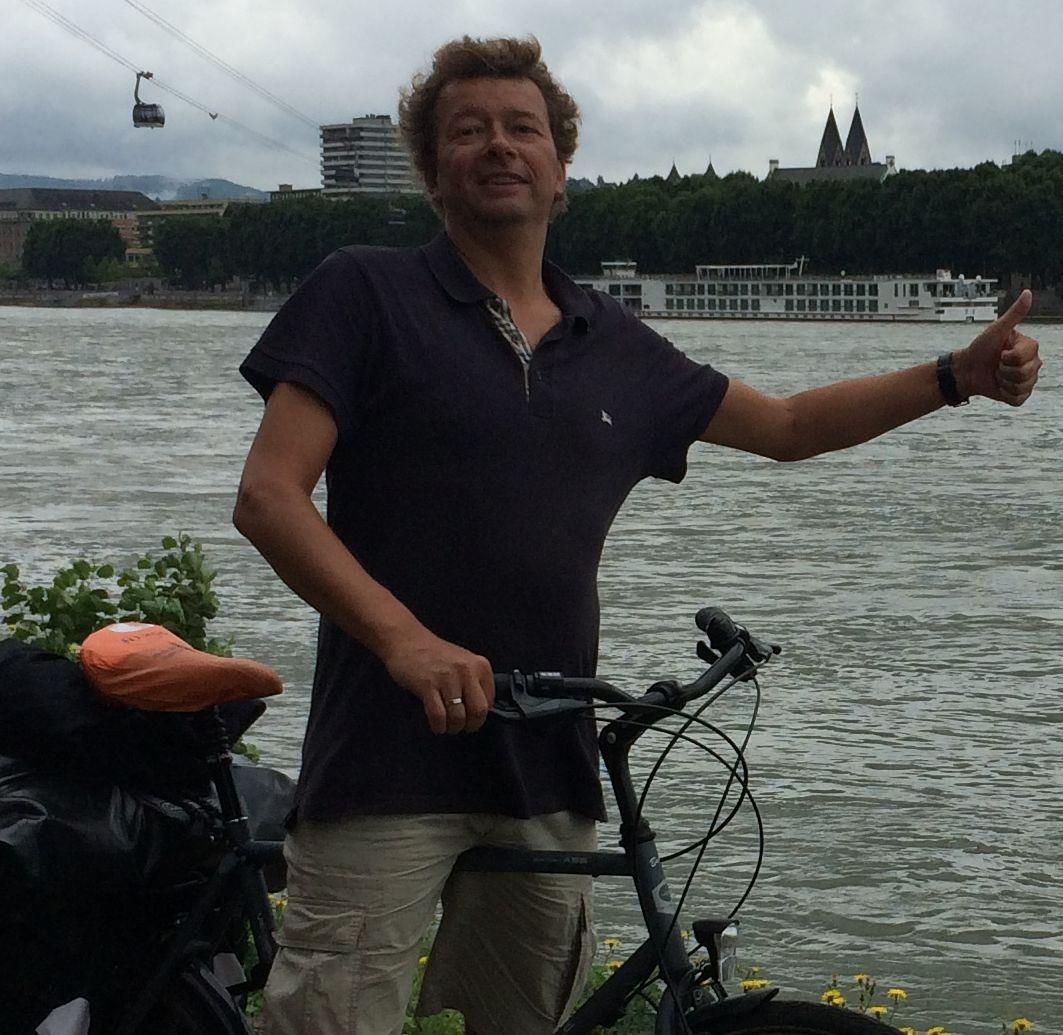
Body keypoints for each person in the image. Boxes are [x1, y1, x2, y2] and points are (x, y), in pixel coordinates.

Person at [233, 35, 1042, 1035]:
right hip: (381, 766)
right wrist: (405, 640)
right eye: (469, 130)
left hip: (547, 768)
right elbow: (269, 496)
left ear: (560, 167)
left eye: (523, 128)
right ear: (432, 170)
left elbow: (787, 426)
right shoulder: (364, 292)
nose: (499, 145)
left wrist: (953, 377)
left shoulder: (609, 340)